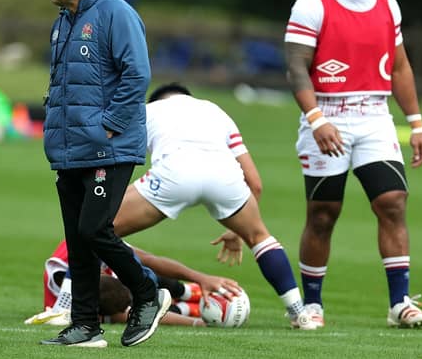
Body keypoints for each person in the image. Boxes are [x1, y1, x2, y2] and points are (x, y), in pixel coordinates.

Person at [284, 0, 422, 328]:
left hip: (374, 115)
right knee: (324, 213)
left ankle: (401, 304)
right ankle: (311, 306)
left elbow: (399, 66)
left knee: (393, 201)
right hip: (326, 114)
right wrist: (317, 120)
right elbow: (297, 68)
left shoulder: (387, 4)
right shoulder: (313, 3)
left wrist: (416, 123)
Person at [29, 0, 170, 348]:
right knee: (77, 237)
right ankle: (85, 325)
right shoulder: (63, 21)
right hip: (69, 148)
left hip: (108, 147)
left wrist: (109, 126)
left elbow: (136, 75)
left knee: (94, 229)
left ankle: (147, 291)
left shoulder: (117, 13)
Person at [112, 83, 319, 330]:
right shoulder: (215, 111)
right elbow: (255, 183)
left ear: (156, 99)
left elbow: (120, 161)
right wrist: (238, 230)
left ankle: (70, 302)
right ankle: (299, 313)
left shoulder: (148, 111)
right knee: (260, 237)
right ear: (189, 98)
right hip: (224, 175)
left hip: (174, 173)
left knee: (100, 229)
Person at [24, 238, 241, 327]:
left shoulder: (94, 242)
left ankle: (187, 291)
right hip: (104, 298)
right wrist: (197, 323)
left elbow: (149, 259)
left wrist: (200, 278)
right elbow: (127, 315)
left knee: (143, 270)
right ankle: (185, 307)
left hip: (105, 262)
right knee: (132, 311)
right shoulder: (58, 307)